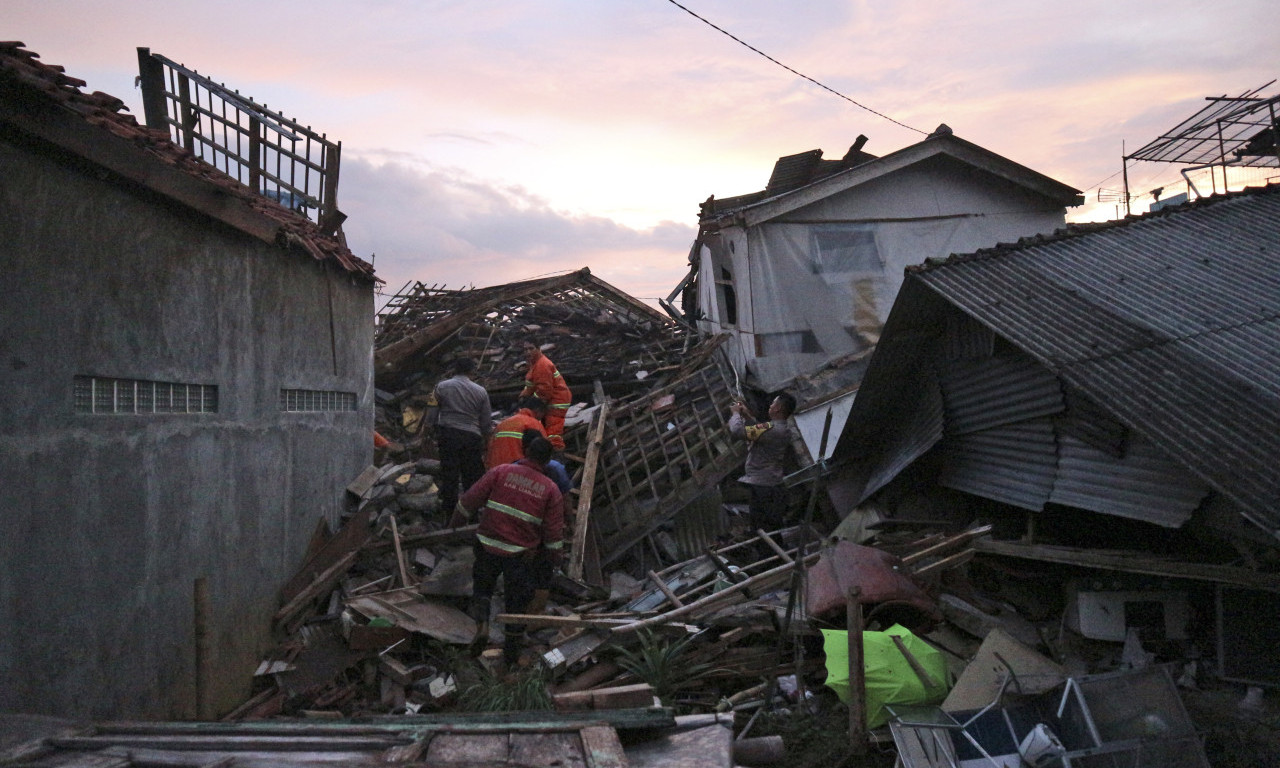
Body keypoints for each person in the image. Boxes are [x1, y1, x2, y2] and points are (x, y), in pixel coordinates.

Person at [454, 435, 565, 665]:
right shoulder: (551, 490)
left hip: (487, 544)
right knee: (516, 603)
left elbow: (470, 499)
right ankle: (511, 655)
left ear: (525, 452)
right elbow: (553, 533)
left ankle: (483, 625)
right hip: (520, 554)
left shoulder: (501, 472)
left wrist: (455, 522)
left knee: (483, 589)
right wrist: (555, 558)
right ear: (547, 461)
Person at [429, 358, 492, 521]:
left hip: (448, 434)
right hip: (471, 437)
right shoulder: (481, 391)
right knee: (470, 477)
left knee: (449, 475)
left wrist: (431, 431)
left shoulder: (440, 387)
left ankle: (449, 515)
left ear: (454, 370)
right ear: (472, 371)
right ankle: (471, 516)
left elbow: (431, 413)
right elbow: (486, 422)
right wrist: (487, 440)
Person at [728, 392, 797, 532]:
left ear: (777, 408)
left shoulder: (772, 429)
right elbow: (758, 431)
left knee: (762, 528)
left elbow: (737, 431)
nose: (770, 406)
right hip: (770, 484)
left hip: (764, 488)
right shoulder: (781, 429)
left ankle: (768, 552)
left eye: (773, 403)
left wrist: (735, 414)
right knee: (770, 527)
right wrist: (747, 416)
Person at [518, 341, 572, 452]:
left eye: (531, 348)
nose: (528, 352)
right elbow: (531, 386)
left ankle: (556, 455)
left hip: (556, 402)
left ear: (539, 349)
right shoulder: (535, 364)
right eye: (525, 349)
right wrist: (523, 396)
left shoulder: (542, 365)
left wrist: (529, 404)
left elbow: (544, 391)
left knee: (553, 433)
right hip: (552, 400)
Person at [485, 396, 548, 468]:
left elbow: (489, 446)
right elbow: (544, 449)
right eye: (543, 414)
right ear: (538, 410)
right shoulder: (534, 424)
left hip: (495, 469)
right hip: (517, 471)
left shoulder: (503, 424)